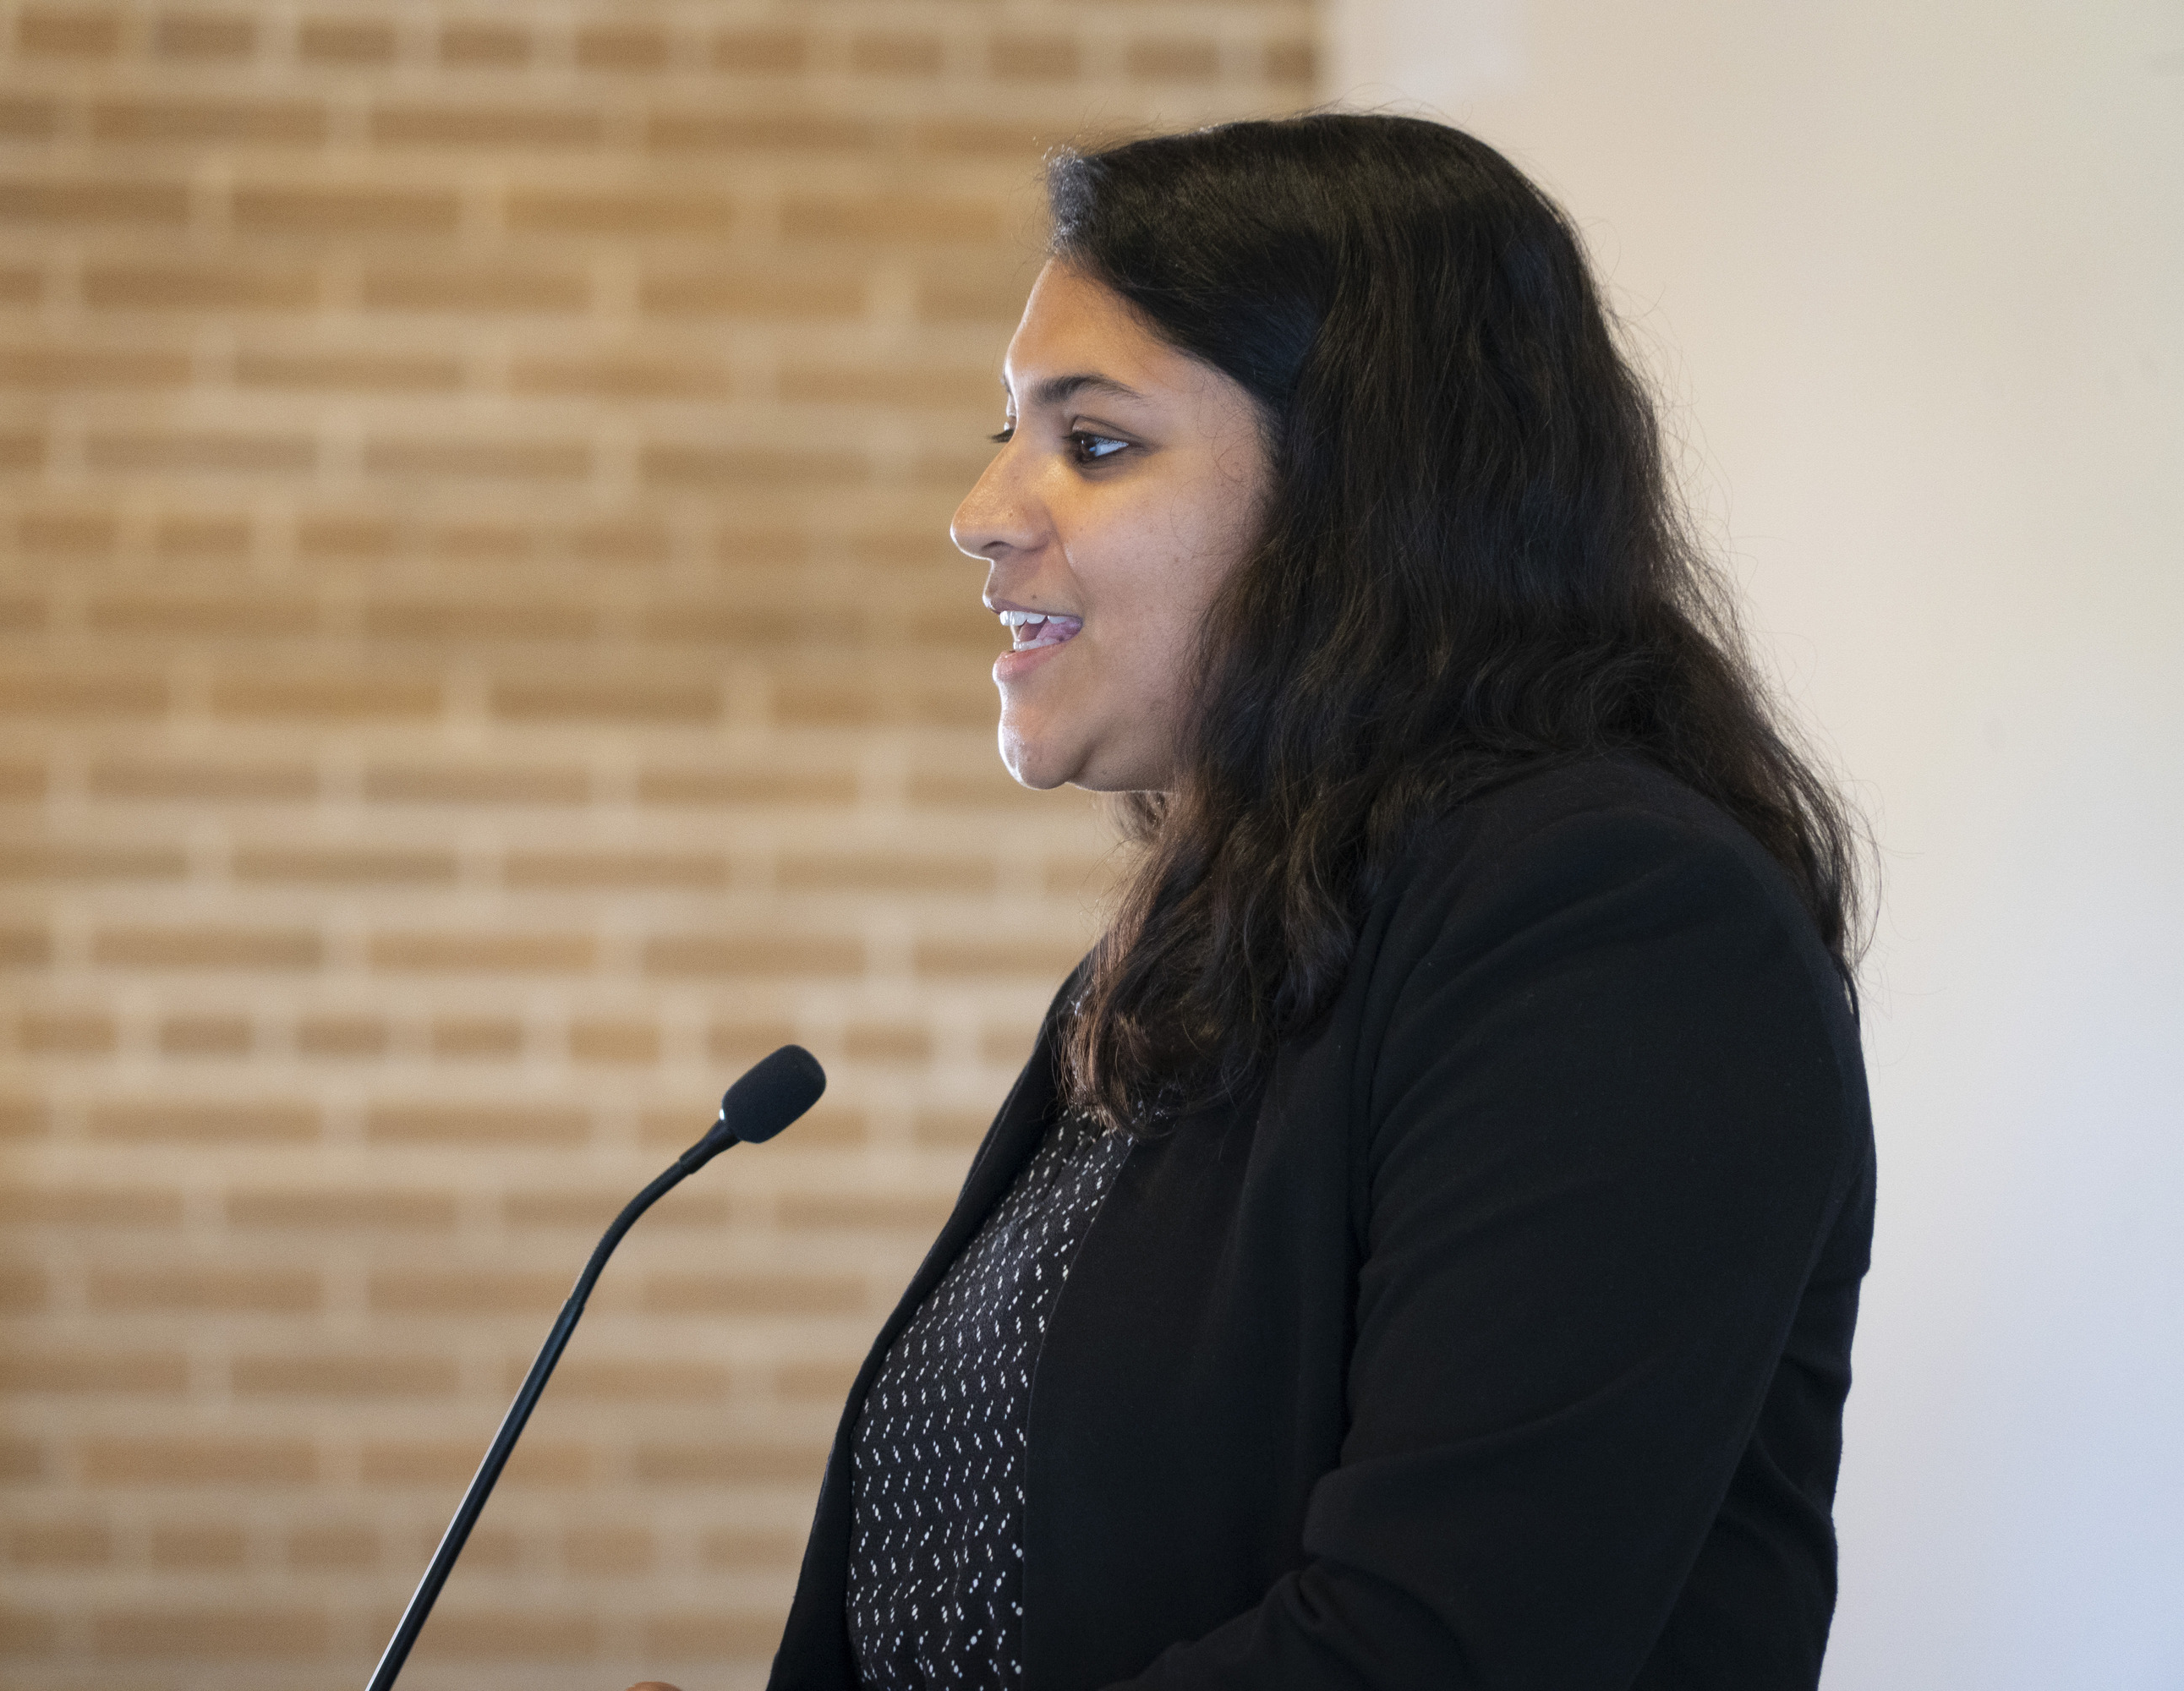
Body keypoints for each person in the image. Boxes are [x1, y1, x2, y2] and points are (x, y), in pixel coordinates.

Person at [642, 109, 1875, 1691]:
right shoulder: (1219, 953)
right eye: (1007, 432)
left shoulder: (1618, 928)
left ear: (1362, 497)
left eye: (1094, 444)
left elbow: (1428, 1651)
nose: (983, 511)